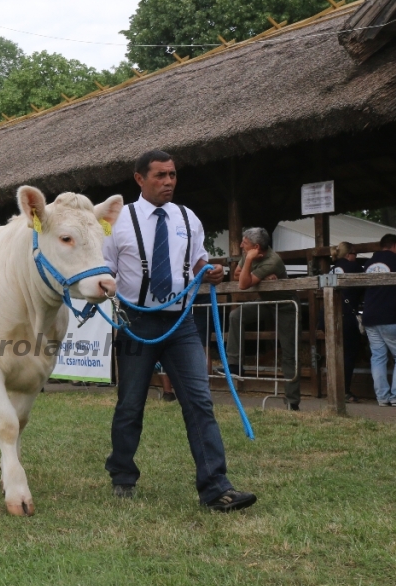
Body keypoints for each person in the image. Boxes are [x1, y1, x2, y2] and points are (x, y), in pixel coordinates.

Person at [102, 149, 256, 512]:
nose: (169, 182)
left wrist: (210, 269)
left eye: (172, 175)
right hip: (137, 322)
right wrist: (105, 289)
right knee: (130, 403)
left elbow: (196, 259)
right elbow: (105, 268)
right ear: (140, 179)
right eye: (160, 175)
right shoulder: (117, 221)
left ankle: (215, 487)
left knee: (199, 401)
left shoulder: (187, 217)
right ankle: (122, 473)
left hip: (181, 321)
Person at [226, 227, 299, 410]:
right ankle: (234, 363)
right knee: (236, 315)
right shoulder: (249, 252)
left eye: (245, 243)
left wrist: (249, 262)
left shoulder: (272, 261)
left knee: (289, 353)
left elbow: (243, 284)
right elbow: (236, 275)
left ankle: (293, 402)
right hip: (267, 301)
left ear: (256, 247)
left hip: (285, 305)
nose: (242, 245)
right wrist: (253, 273)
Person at [361, 234, 396, 407]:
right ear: (394, 245)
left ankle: (382, 398)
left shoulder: (368, 264)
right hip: (393, 315)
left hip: (370, 316)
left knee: (378, 357)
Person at [331, 242, 364, 403]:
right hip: (347, 316)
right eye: (355, 254)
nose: (356, 257)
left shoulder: (331, 270)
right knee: (349, 355)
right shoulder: (355, 268)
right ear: (348, 254)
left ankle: (333, 389)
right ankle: (345, 391)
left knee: (333, 355)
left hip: (330, 316)